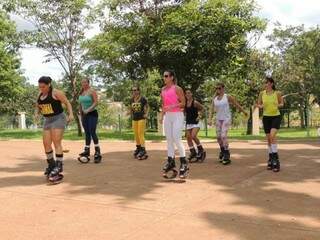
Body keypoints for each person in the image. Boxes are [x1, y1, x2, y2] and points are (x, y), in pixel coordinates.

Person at [36, 76, 74, 183]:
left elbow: (67, 103)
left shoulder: (56, 93)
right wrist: (37, 114)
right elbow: (38, 105)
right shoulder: (40, 94)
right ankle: (51, 165)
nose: (41, 89)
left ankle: (59, 166)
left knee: (56, 142)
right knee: (46, 143)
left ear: (49, 85)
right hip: (47, 120)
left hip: (58, 118)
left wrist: (70, 114)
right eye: (39, 87)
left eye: (43, 87)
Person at [211, 83, 247, 165]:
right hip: (218, 119)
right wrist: (210, 118)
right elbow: (211, 109)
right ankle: (222, 151)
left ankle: (226, 153)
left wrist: (244, 111)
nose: (218, 90)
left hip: (226, 118)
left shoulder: (227, 97)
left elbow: (236, 104)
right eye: (216, 88)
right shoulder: (215, 98)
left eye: (219, 88)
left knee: (223, 136)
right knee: (218, 137)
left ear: (223, 89)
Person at [161, 70, 188, 179]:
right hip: (168, 116)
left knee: (177, 138)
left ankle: (183, 163)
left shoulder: (177, 89)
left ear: (172, 77)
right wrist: (162, 115)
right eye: (164, 76)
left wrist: (171, 107)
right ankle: (171, 161)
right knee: (169, 139)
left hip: (177, 115)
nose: (164, 78)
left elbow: (183, 103)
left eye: (166, 76)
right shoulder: (162, 90)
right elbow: (164, 104)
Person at [256, 77, 284, 172]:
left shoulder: (278, 93)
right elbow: (258, 104)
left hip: (276, 116)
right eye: (265, 83)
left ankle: (276, 159)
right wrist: (261, 106)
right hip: (266, 117)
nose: (265, 84)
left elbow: (282, 104)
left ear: (271, 83)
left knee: (272, 136)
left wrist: (278, 105)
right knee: (268, 139)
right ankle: (270, 158)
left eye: (267, 82)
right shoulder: (261, 93)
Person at [78, 78, 102, 163]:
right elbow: (80, 104)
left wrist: (88, 109)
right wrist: (81, 114)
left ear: (88, 83)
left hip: (92, 114)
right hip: (84, 115)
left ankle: (97, 152)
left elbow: (96, 102)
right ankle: (87, 150)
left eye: (85, 82)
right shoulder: (81, 93)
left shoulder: (92, 91)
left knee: (92, 132)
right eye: (82, 82)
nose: (83, 84)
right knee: (87, 133)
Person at [184, 88, 206, 163]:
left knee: (193, 136)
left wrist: (199, 117)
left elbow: (203, 108)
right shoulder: (185, 103)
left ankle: (201, 151)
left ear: (191, 94)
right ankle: (193, 152)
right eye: (186, 93)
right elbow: (185, 112)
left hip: (195, 123)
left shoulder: (195, 102)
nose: (187, 94)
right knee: (188, 137)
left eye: (189, 93)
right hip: (188, 122)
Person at [130, 86, 149, 160]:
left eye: (135, 90)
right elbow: (131, 108)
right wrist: (129, 112)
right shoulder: (131, 99)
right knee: (136, 134)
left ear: (138, 91)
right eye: (133, 90)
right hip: (134, 119)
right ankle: (138, 148)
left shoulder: (143, 99)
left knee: (140, 133)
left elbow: (147, 107)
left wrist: (146, 114)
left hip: (142, 118)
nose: (134, 92)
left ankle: (143, 150)